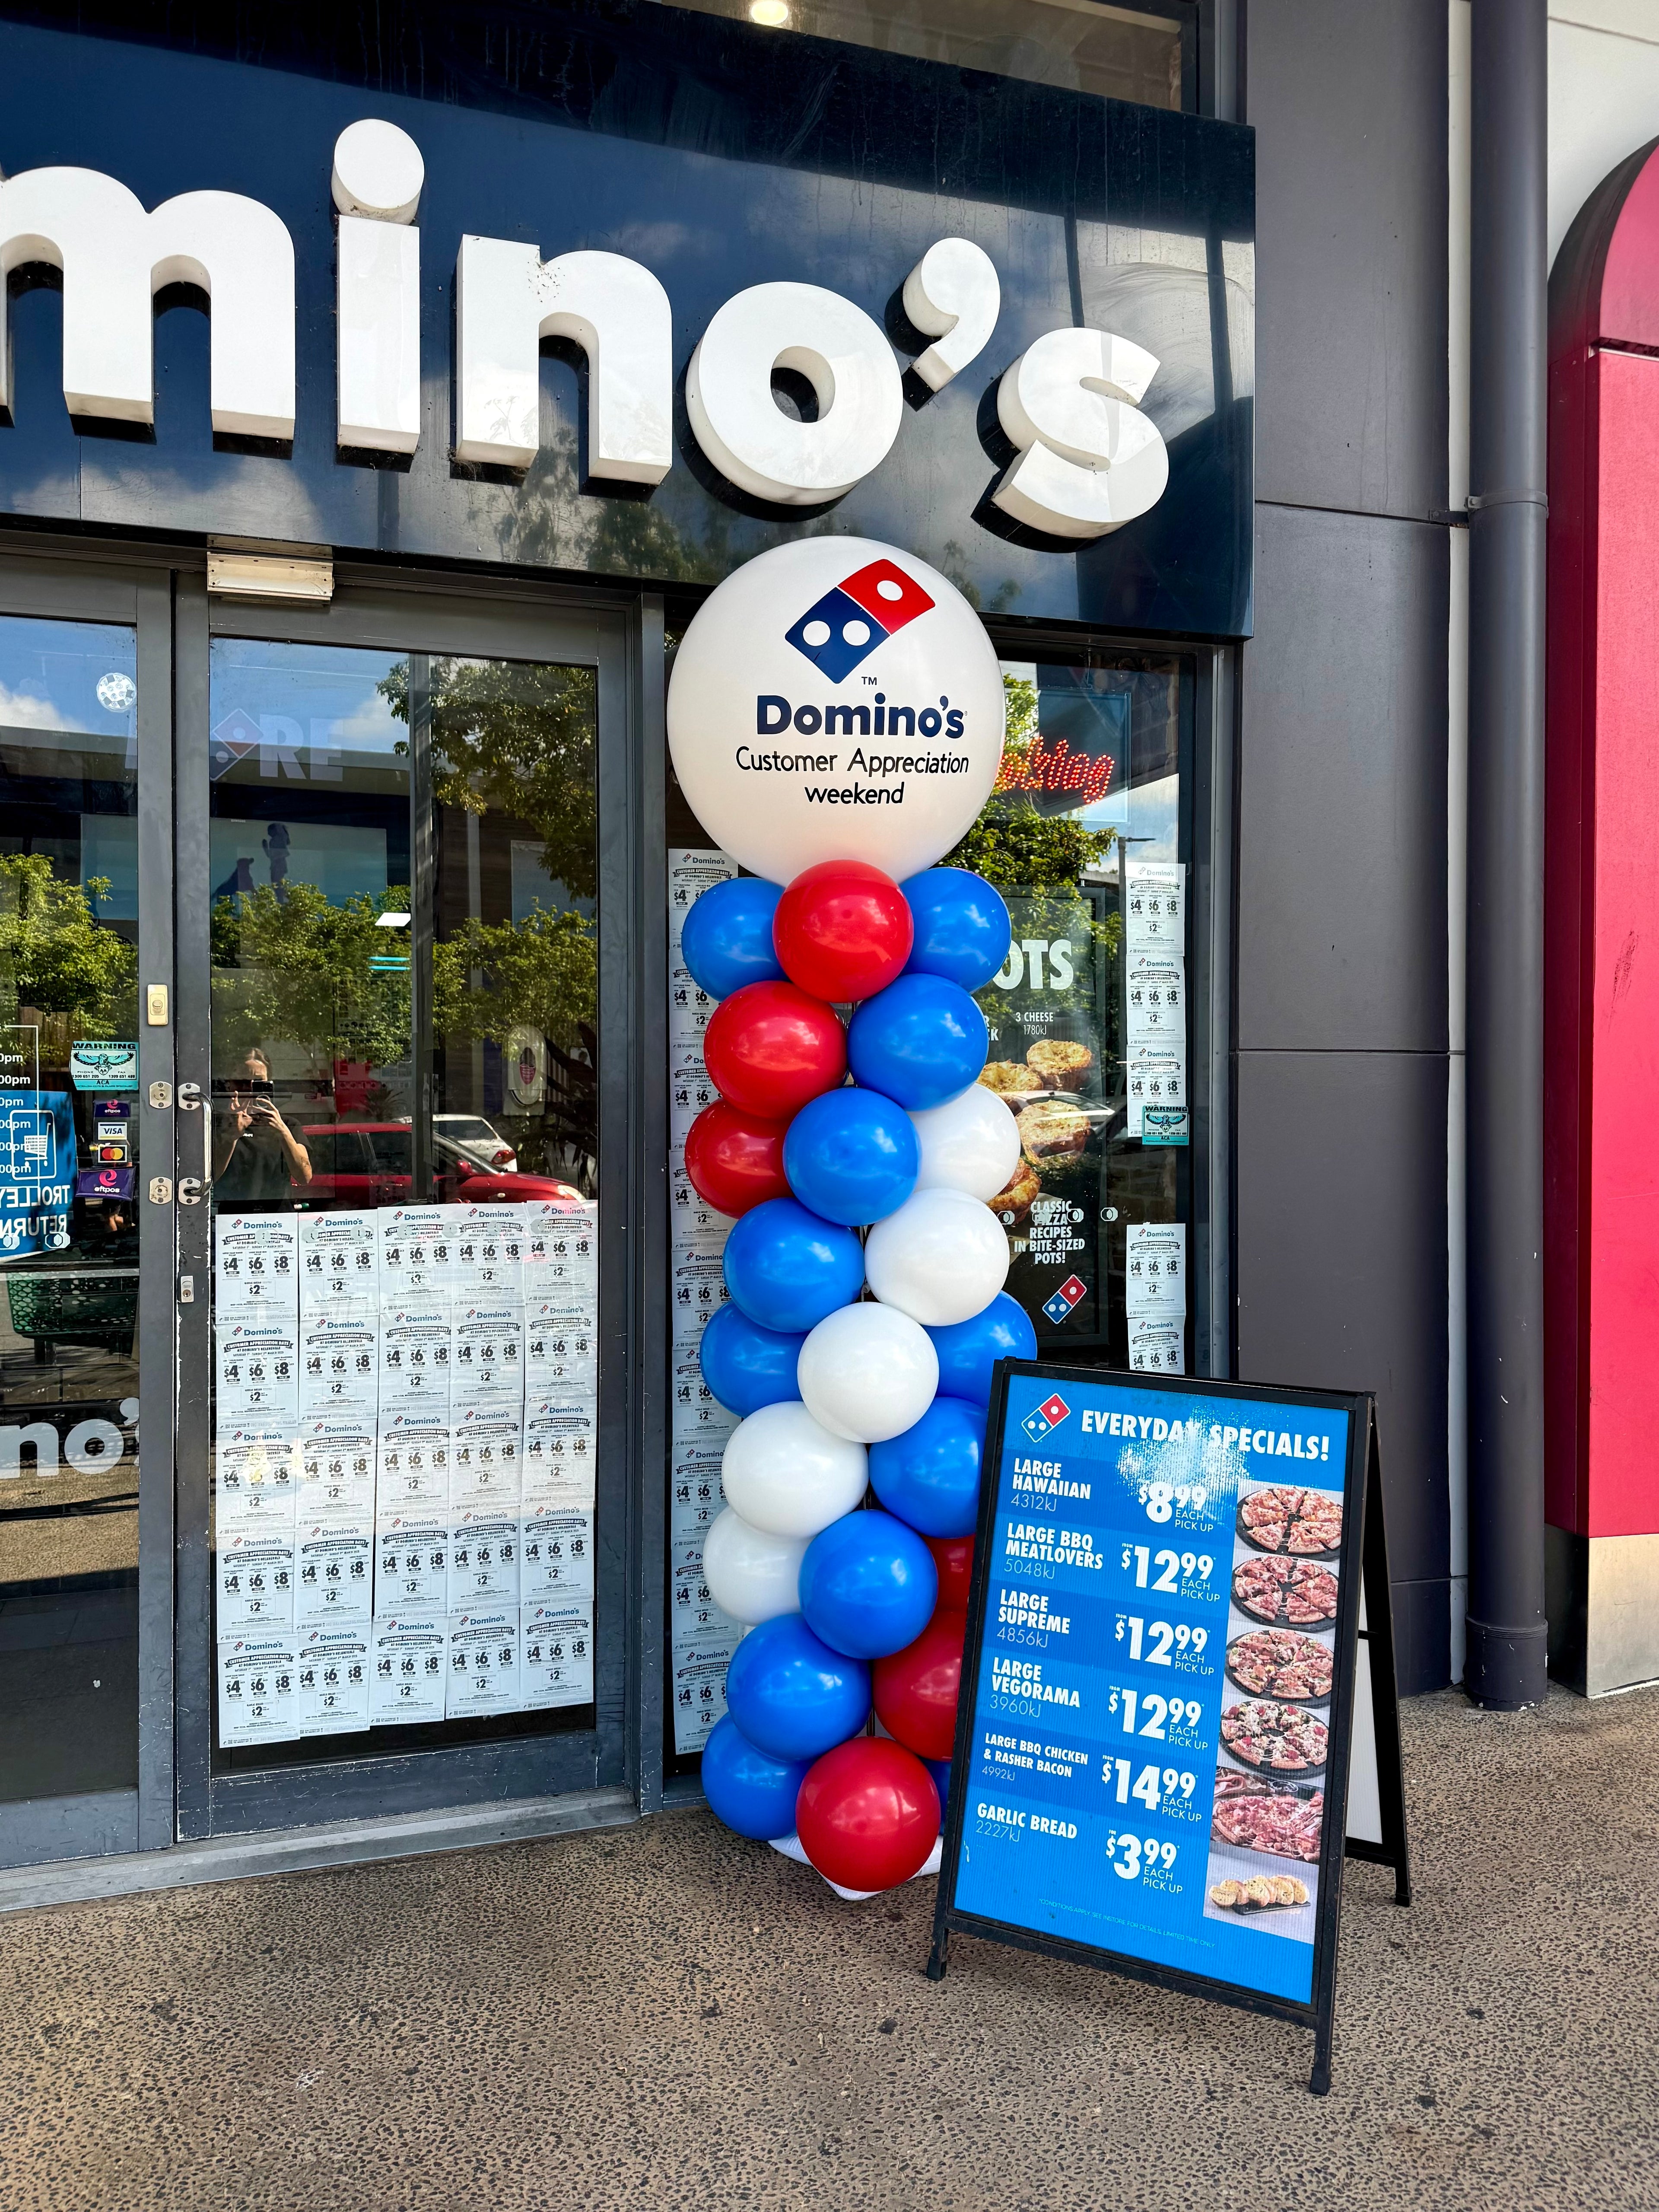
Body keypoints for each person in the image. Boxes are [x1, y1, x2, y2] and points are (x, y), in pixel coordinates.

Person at [212, 1049, 312, 1202]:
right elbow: (210, 1179)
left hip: (276, 1217)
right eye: (242, 1082)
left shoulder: (288, 1125)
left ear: (269, 1084)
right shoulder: (217, 1124)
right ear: (230, 1085)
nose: (250, 1089)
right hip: (231, 1216)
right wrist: (231, 1137)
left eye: (259, 1083)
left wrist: (282, 1132)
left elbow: (304, 1177)